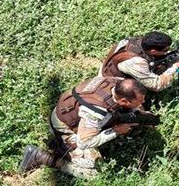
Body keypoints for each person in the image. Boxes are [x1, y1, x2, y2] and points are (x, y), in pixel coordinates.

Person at [18, 77, 148, 179]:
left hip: (72, 113)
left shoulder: (116, 82)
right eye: (139, 101)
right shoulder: (95, 112)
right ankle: (40, 156)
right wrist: (115, 131)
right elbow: (84, 142)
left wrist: (141, 115)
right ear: (124, 101)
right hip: (66, 128)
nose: (142, 103)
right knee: (95, 172)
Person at [99, 31, 179, 92]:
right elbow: (156, 85)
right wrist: (174, 67)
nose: (167, 52)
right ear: (153, 51)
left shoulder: (138, 41)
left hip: (112, 68)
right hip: (111, 84)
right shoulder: (136, 63)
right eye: (165, 50)